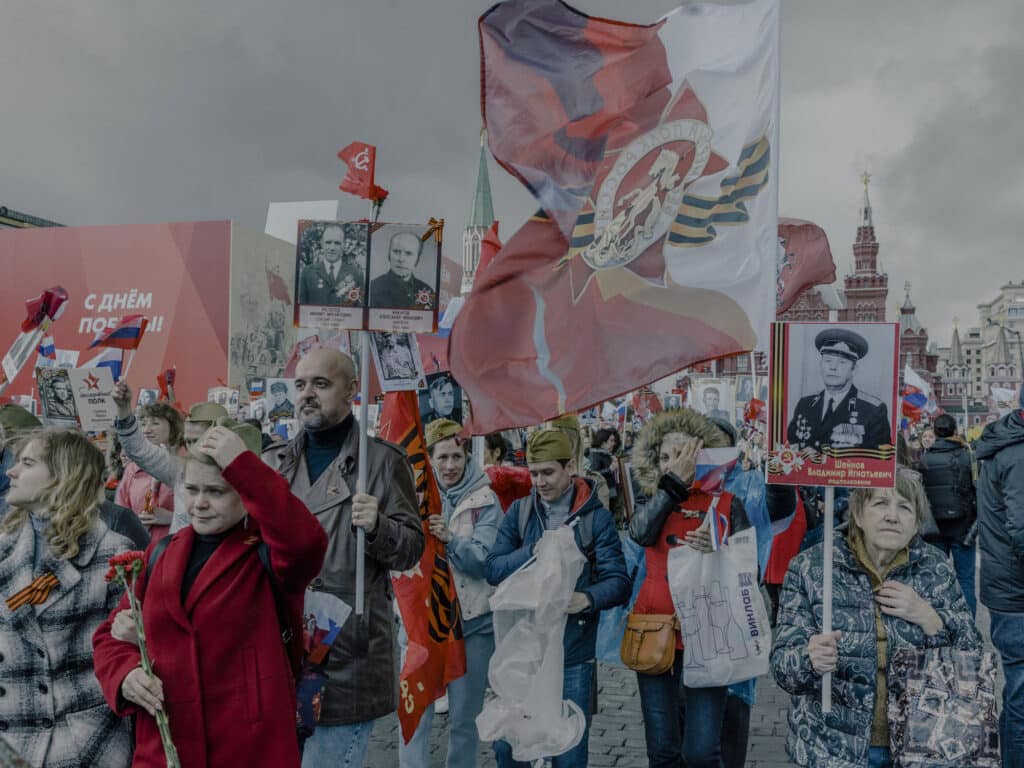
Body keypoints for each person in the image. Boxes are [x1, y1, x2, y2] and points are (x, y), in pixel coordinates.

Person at [93, 422, 328, 768]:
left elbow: (307, 542)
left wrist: (244, 465)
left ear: (246, 495)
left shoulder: (268, 555)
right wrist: (126, 674)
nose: (199, 503)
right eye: (192, 489)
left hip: (248, 750)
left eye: (216, 492)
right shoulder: (162, 553)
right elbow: (108, 638)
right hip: (166, 749)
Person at [263, 347, 423, 767]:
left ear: (352, 390)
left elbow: (411, 551)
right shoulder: (273, 462)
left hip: (347, 655)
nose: (307, 394)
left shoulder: (384, 463)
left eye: (321, 383)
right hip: (281, 647)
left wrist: (379, 528)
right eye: (300, 384)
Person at [771, 468, 980, 768]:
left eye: (905, 507)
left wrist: (932, 619)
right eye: (880, 504)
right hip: (832, 750)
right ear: (857, 514)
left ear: (917, 522)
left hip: (920, 748)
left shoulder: (936, 570)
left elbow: (972, 658)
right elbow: (782, 669)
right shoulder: (812, 568)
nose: (892, 516)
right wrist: (809, 659)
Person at [627, 408, 793, 768]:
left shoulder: (727, 501)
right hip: (657, 633)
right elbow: (641, 531)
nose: (673, 464)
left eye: (683, 455)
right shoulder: (652, 495)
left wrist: (719, 544)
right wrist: (673, 486)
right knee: (663, 750)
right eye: (665, 457)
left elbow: (749, 567)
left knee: (702, 752)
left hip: (709, 636)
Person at [486, 430, 630, 768]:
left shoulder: (596, 519)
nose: (540, 482)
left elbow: (619, 581)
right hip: (523, 650)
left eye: (548, 472)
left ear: (570, 468)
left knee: (569, 750)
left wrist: (587, 598)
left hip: (572, 653)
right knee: (508, 747)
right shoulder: (521, 511)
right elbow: (493, 568)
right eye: (534, 473)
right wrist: (536, 552)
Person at [0, 430, 133, 766]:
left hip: (83, 745)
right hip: (11, 744)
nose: (10, 472)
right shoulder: (5, 547)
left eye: (27, 463)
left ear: (62, 477)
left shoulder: (113, 552)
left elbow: (127, 653)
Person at [399, 419, 501, 768]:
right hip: (421, 625)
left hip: (471, 625)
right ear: (429, 458)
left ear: (467, 456)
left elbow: (485, 561)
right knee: (415, 716)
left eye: (456, 457)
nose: (449, 466)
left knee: (464, 719)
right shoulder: (413, 496)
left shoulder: (486, 500)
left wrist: (450, 540)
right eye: (441, 457)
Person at [975, 400, 1024, 767]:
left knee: (1019, 695)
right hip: (1016, 593)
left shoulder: (1006, 445)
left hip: (1006, 588)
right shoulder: (1019, 455)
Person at [113, 383, 228, 533]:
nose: (193, 449)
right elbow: (138, 449)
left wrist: (169, 517)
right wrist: (123, 408)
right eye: (189, 442)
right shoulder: (181, 469)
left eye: (200, 440)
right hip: (175, 552)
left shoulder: (240, 476)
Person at [786, 328, 891, 453]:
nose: (833, 367)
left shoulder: (873, 410)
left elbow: (879, 463)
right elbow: (790, 447)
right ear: (821, 365)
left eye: (842, 362)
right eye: (828, 361)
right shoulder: (805, 404)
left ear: (854, 369)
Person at [918, 413, 977, 615]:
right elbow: (977, 489)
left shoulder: (925, 458)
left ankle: (941, 627)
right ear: (955, 431)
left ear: (935, 432)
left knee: (937, 581)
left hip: (934, 528)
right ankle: (969, 632)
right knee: (966, 580)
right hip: (963, 528)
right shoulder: (967, 456)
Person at [115, 402, 182, 544]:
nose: (146, 430)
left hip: (174, 544)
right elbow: (121, 512)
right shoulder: (132, 469)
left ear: (173, 427)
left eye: (155, 423)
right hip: (138, 548)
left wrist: (172, 517)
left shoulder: (183, 466)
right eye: (143, 424)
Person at [298, 222, 366, 306]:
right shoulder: (308, 272)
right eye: (328, 242)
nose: (332, 248)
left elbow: (359, 311)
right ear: (321, 243)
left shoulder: (356, 274)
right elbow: (302, 309)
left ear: (343, 245)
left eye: (337, 243)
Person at [370, 229, 436, 310]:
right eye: (396, 251)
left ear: (417, 259)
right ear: (389, 255)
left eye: (408, 253)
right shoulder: (373, 287)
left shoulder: (427, 291)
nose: (401, 259)